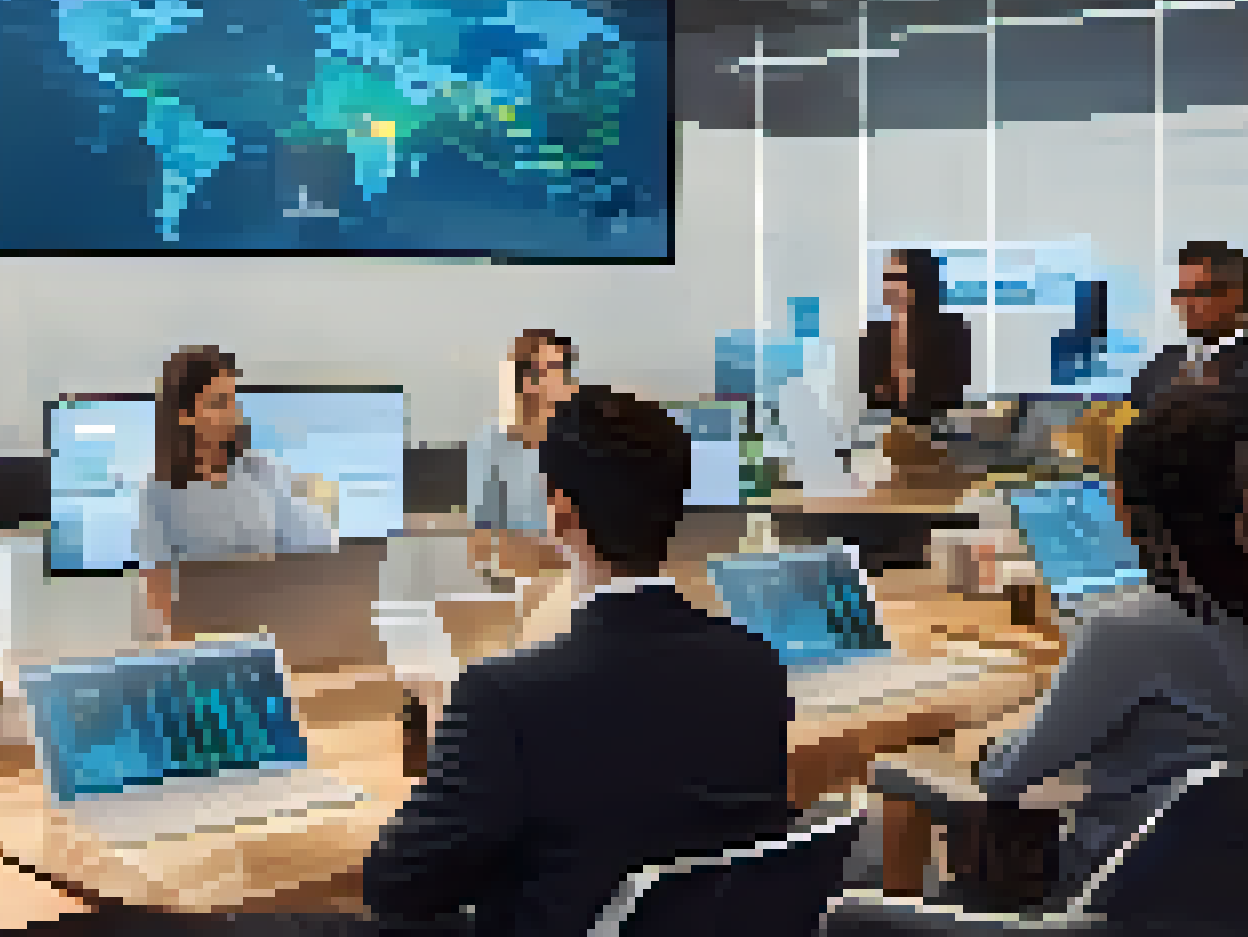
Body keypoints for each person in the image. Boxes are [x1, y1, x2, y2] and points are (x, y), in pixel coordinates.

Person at [363, 387, 792, 937]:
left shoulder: (505, 700)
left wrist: (455, 744)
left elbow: (397, 881)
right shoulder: (755, 666)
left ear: (560, 513)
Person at [946, 387, 1248, 899]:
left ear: (1129, 506)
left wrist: (991, 745)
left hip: (1122, 901)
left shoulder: (1135, 627)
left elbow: (1005, 775)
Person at [131, 345, 337, 638]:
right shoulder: (159, 492)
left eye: (232, 400)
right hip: (202, 648)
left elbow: (317, 550)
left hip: (275, 636)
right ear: (185, 415)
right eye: (218, 402)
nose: (232, 413)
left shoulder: (262, 471)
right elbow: (159, 595)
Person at [467, 330, 580, 575]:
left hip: (578, 579)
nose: (561, 380)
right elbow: (482, 535)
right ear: (525, 379)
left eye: (564, 370)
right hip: (515, 577)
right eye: (549, 369)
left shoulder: (584, 441)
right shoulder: (492, 442)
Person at [1129, 241, 1248, 412]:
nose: (1185, 303)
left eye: (1198, 292)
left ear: (1234, 296)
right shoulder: (1158, 368)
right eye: (1181, 293)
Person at [858, 248, 973, 425]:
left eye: (897, 279)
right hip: (886, 428)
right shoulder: (874, 333)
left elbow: (953, 394)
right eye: (887, 278)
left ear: (918, 281)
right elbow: (869, 396)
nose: (888, 286)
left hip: (939, 428)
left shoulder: (954, 329)